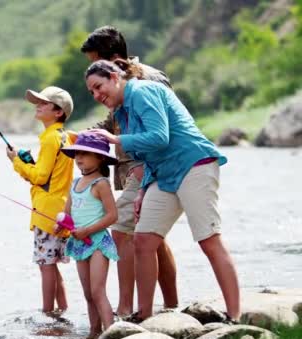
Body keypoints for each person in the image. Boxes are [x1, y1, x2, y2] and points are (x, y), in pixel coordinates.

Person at [86, 59, 240, 323]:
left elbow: (160, 137)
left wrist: (115, 139)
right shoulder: (122, 112)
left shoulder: (142, 92)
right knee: (143, 240)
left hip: (194, 164)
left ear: (114, 77)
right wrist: (144, 189)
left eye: (99, 87)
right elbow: (149, 155)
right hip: (163, 174)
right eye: (92, 93)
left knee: (208, 240)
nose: (98, 95)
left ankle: (235, 317)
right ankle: (145, 315)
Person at [80, 25, 178, 317]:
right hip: (132, 170)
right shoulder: (115, 82)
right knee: (154, 241)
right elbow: (113, 124)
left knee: (123, 232)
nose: (94, 69)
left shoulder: (149, 78)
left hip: (145, 169)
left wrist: (144, 168)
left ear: (114, 58)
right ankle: (172, 307)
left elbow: (164, 129)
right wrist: (82, 136)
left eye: (97, 60)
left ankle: (126, 310)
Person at [6, 86, 75, 315]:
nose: (38, 105)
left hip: (46, 212)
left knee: (46, 266)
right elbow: (48, 174)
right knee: (53, 266)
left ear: (58, 112)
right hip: (61, 209)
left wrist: (17, 162)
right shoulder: (65, 136)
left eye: (44, 103)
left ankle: (47, 314)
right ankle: (62, 310)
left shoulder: (49, 139)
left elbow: (39, 177)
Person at [55, 131, 119, 338]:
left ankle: (111, 333)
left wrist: (88, 230)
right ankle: (93, 332)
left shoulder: (100, 184)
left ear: (100, 158)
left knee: (98, 291)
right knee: (88, 294)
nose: (79, 158)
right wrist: (62, 224)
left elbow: (113, 216)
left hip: (98, 242)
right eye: (77, 154)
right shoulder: (74, 184)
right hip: (80, 243)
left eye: (84, 154)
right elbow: (68, 213)